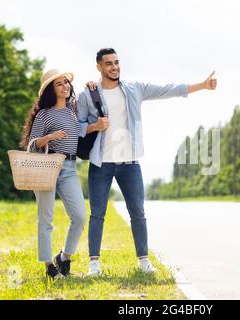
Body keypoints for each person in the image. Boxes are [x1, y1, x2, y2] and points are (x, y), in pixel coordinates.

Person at [77, 48, 217, 276]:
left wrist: (202, 85)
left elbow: (168, 90)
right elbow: (77, 126)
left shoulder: (134, 89)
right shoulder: (87, 95)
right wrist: (94, 126)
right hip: (101, 162)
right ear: (99, 67)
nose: (114, 67)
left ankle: (143, 260)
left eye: (116, 62)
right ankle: (94, 263)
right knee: (97, 213)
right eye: (109, 64)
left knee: (138, 212)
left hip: (130, 162)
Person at [20, 69, 87, 279]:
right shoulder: (44, 114)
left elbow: (83, 130)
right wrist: (49, 137)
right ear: (51, 89)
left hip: (68, 169)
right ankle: (49, 265)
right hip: (46, 168)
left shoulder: (73, 112)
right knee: (46, 219)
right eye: (59, 83)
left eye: (66, 82)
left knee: (79, 216)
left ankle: (64, 257)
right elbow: (31, 145)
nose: (65, 86)